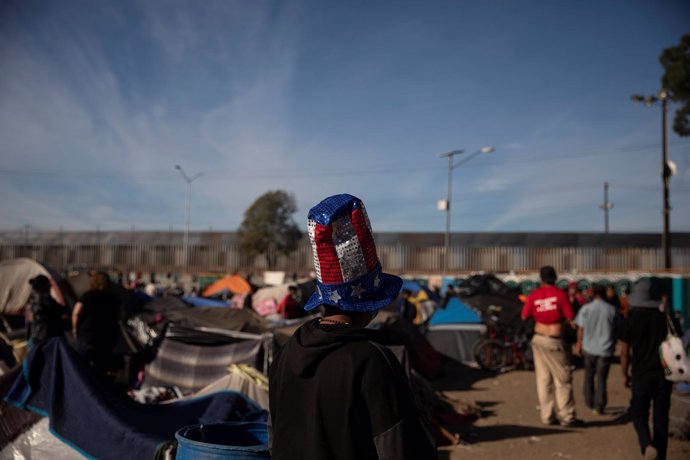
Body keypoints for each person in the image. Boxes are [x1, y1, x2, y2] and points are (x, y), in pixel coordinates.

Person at [269, 194, 436, 460]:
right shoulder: (372, 360)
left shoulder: (287, 352)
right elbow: (399, 447)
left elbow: (274, 435)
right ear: (369, 304)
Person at [619, 278, 680, 460]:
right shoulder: (665, 319)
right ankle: (660, 455)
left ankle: (646, 444)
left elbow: (624, 352)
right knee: (661, 417)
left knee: (638, 412)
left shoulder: (630, 321)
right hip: (664, 374)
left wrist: (624, 374)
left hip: (641, 374)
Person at [521, 266, 583, 427]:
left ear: (541, 279)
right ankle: (567, 416)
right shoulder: (560, 295)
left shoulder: (534, 295)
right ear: (555, 278)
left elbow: (524, 315)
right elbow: (571, 317)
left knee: (543, 379)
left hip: (538, 339)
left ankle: (547, 416)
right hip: (554, 341)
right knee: (563, 379)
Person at [574, 284, 618, 415]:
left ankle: (589, 401)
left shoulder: (586, 309)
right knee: (602, 378)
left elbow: (580, 328)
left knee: (589, 375)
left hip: (589, 348)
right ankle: (600, 405)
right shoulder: (611, 310)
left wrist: (579, 343)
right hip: (605, 349)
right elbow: (617, 328)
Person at [71, 272, 122, 374]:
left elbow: (76, 312)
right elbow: (121, 316)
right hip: (107, 339)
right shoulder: (114, 298)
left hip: (87, 336)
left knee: (79, 367)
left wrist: (75, 329)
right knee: (100, 370)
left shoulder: (87, 296)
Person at [27, 275, 64, 346]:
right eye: (48, 284)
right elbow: (60, 310)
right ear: (43, 285)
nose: (50, 286)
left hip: (37, 336)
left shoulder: (33, 299)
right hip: (48, 336)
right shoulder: (45, 299)